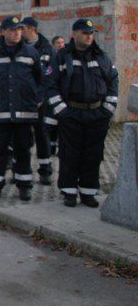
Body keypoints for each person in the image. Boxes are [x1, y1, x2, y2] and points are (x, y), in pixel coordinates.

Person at [46, 19, 118, 208]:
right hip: (72, 113)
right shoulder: (62, 56)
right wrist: (62, 111)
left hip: (97, 114)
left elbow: (113, 80)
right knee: (70, 154)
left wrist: (108, 108)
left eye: (91, 33)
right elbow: (50, 84)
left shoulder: (101, 56)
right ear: (75, 33)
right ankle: (69, 191)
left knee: (93, 154)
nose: (89, 36)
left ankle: (88, 191)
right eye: (85, 32)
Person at [0, 16, 43, 201]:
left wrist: (36, 99)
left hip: (24, 112)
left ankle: (24, 186)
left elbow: (39, 80)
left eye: (19, 29)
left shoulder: (31, 53)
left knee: (23, 150)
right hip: (0, 112)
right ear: (3, 31)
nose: (16, 33)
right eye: (12, 30)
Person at [19, 17, 57, 185]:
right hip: (23, 100)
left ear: (30, 29)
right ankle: (20, 171)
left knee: (42, 136)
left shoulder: (47, 49)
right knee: (22, 137)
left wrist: (40, 98)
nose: (20, 32)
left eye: (23, 29)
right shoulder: (20, 48)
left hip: (40, 103)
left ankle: (45, 170)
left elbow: (49, 76)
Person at [48, 35, 65, 156]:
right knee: (51, 124)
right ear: (53, 45)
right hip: (53, 95)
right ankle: (51, 147)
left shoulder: (66, 57)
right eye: (58, 43)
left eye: (62, 42)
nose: (61, 45)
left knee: (63, 126)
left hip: (64, 95)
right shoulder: (51, 58)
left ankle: (61, 148)